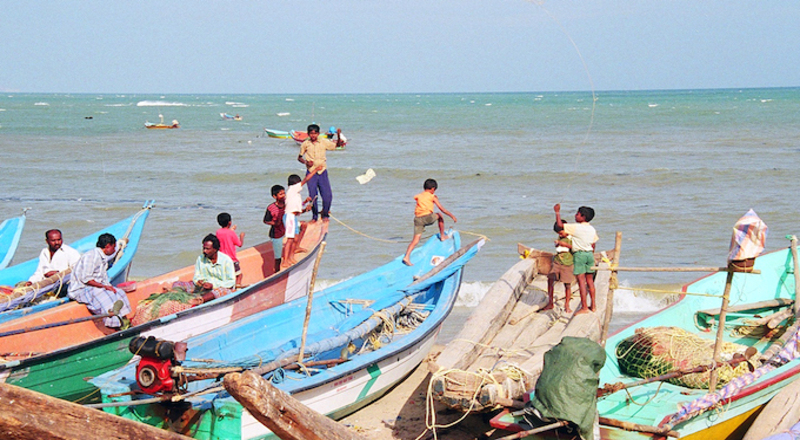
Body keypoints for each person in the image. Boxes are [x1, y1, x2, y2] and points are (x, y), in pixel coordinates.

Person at [67, 233, 131, 329]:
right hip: (80, 289)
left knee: (119, 292)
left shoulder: (103, 257)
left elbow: (102, 279)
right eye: (113, 248)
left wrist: (109, 287)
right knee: (103, 296)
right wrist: (104, 287)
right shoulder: (91, 256)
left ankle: (122, 320)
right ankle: (112, 324)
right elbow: (86, 279)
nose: (114, 251)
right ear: (107, 246)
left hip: (94, 287)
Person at [554, 204, 598, 315]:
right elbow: (593, 244)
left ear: (582, 217)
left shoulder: (576, 227)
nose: (575, 215)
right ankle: (593, 306)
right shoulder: (592, 229)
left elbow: (560, 226)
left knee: (581, 282)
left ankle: (584, 307)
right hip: (589, 254)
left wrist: (557, 212)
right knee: (590, 281)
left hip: (579, 255)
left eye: (577, 214)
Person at [402, 178, 457, 266]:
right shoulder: (432, 196)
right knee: (439, 215)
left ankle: (407, 257)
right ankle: (442, 236)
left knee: (415, 240)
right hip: (427, 218)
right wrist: (452, 216)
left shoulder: (419, 196)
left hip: (417, 219)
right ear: (433, 189)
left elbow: (417, 199)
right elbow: (442, 209)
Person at [297, 123, 340, 224]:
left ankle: (325, 213)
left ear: (318, 133)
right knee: (313, 196)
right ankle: (314, 216)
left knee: (327, 196)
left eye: (315, 133)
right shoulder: (305, 144)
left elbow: (337, 145)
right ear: (308, 134)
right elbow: (299, 157)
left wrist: (338, 135)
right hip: (311, 172)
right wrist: (306, 162)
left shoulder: (323, 142)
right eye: (311, 133)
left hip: (322, 171)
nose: (313, 135)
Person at [282, 172, 316, 268]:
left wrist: (305, 204)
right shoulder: (292, 189)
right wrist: (315, 170)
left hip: (294, 217)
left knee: (295, 238)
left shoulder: (295, 195)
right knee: (290, 239)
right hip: (289, 217)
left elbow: (298, 209)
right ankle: (285, 260)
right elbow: (306, 179)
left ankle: (291, 257)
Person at [542, 221, 575, 313]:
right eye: (559, 234)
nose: (561, 235)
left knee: (567, 284)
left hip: (568, 263)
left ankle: (567, 305)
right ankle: (550, 302)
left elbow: (575, 248)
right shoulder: (561, 237)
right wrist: (558, 244)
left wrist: (563, 244)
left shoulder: (572, 238)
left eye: (561, 232)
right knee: (550, 279)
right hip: (557, 262)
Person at [216, 212, 245, 287]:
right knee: (239, 275)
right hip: (232, 259)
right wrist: (241, 236)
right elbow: (240, 244)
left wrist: (231, 229)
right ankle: (237, 287)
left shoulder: (218, 232)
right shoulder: (231, 233)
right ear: (230, 222)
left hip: (222, 259)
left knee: (227, 276)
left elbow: (225, 234)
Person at [263, 184, 286, 273]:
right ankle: (277, 272)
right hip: (276, 234)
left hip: (285, 231)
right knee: (278, 257)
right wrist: (275, 223)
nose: (283, 196)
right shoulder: (271, 208)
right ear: (274, 196)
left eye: (284, 193)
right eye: (281, 194)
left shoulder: (287, 204)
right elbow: (265, 220)